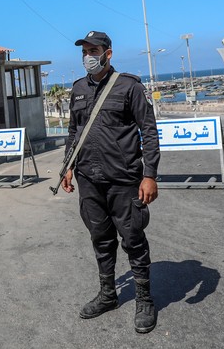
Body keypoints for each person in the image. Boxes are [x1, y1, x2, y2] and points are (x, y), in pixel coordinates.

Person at [61, 31, 160, 334]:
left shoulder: (129, 86)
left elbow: (149, 131)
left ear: (108, 53)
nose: (88, 56)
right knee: (100, 238)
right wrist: (67, 167)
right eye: (84, 52)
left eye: (94, 50)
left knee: (132, 238)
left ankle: (144, 299)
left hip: (124, 178)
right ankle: (108, 295)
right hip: (89, 178)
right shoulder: (77, 89)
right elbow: (73, 131)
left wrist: (150, 175)